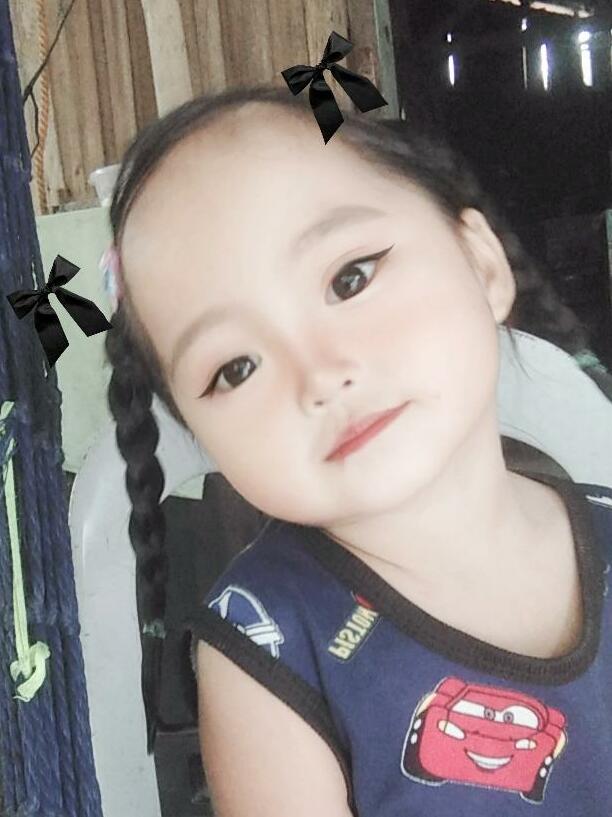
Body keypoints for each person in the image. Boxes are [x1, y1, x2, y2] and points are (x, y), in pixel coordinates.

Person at [102, 84, 612, 817]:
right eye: (236, 367)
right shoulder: (264, 652)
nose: (319, 374)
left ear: (482, 263)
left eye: (350, 278)